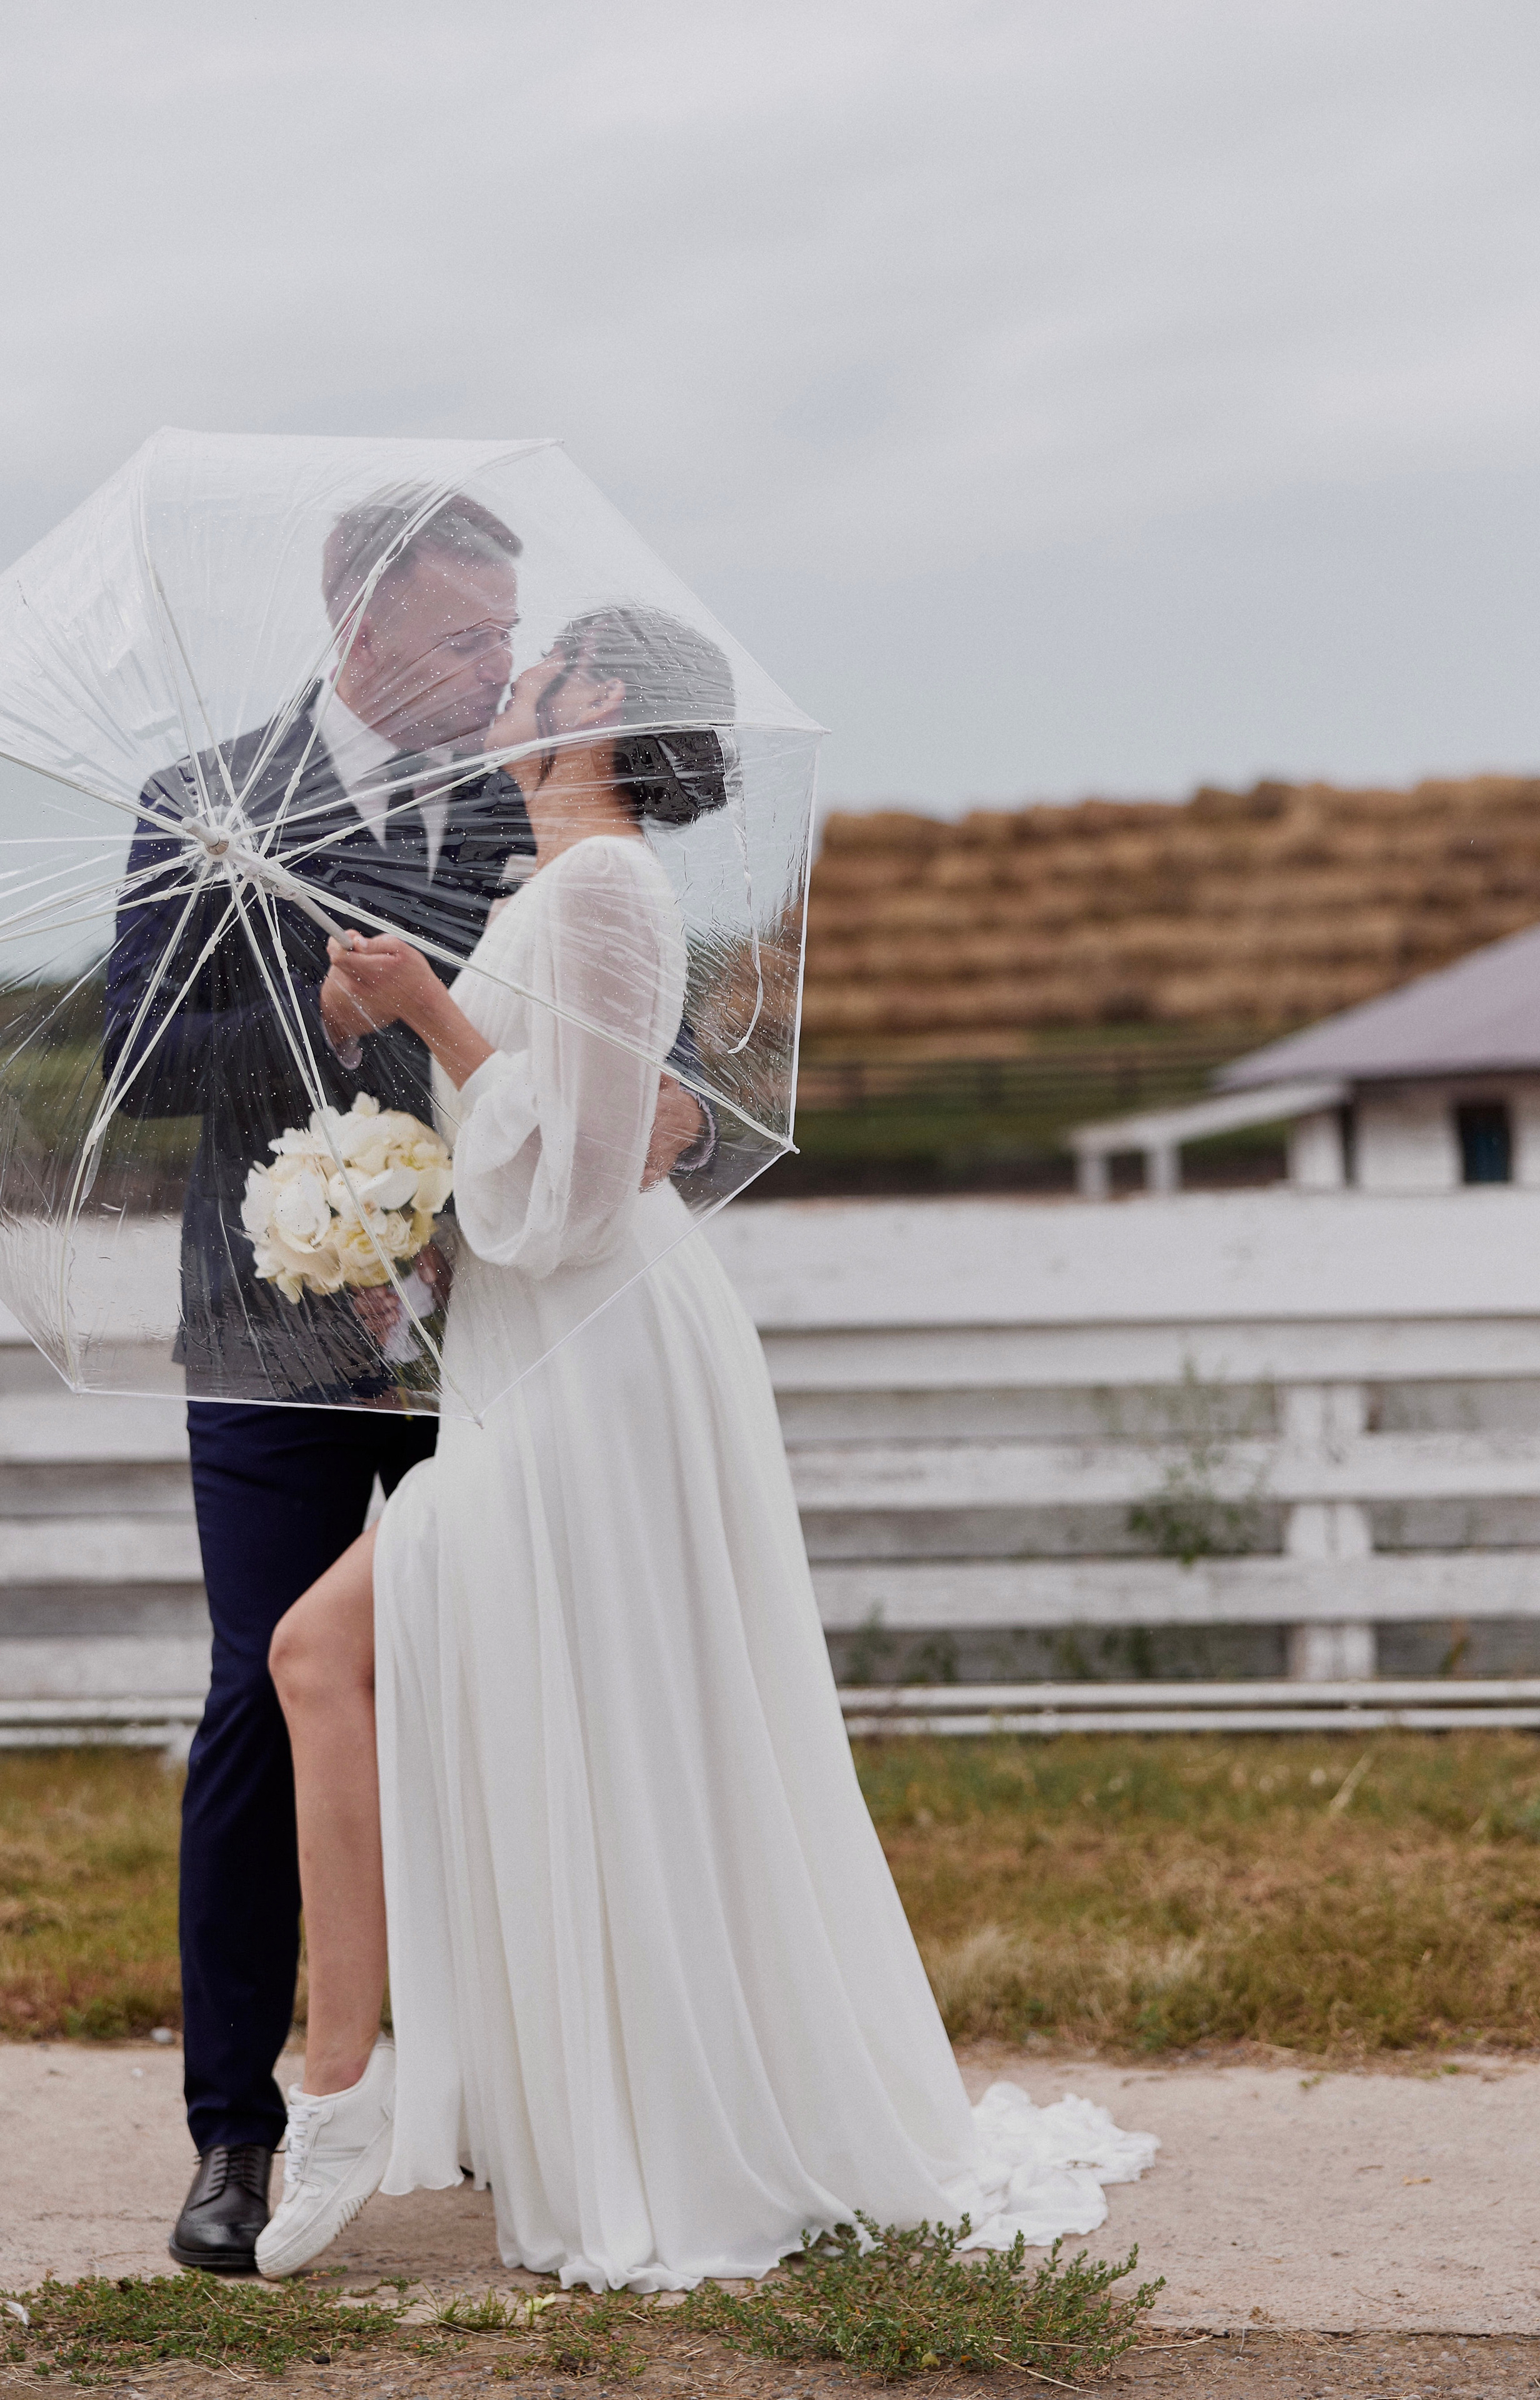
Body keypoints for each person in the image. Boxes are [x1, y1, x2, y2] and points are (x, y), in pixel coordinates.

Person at [253, 606, 1154, 2286]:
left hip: (603, 1368)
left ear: (596, 700)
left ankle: (346, 2092)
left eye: (541, 661)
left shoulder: (605, 889)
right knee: (516, 1699)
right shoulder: (545, 891)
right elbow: (538, 1170)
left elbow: (585, 1193)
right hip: (532, 1356)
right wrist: (391, 1209)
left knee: (326, 1653)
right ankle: (440, 2087)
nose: (510, 680)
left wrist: (438, 1021)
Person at [104, 505, 709, 2274]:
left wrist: (640, 1117)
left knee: (517, 1684)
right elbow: (140, 1056)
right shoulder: (206, 801)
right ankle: (240, 2131)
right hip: (269, 1335)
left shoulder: (538, 806)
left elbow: (644, 1064)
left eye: (508, 636)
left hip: (502, 1331)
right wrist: (331, 1019)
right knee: (261, 1691)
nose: (494, 669)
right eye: (462, 640)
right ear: (356, 624)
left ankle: (521, 2100)